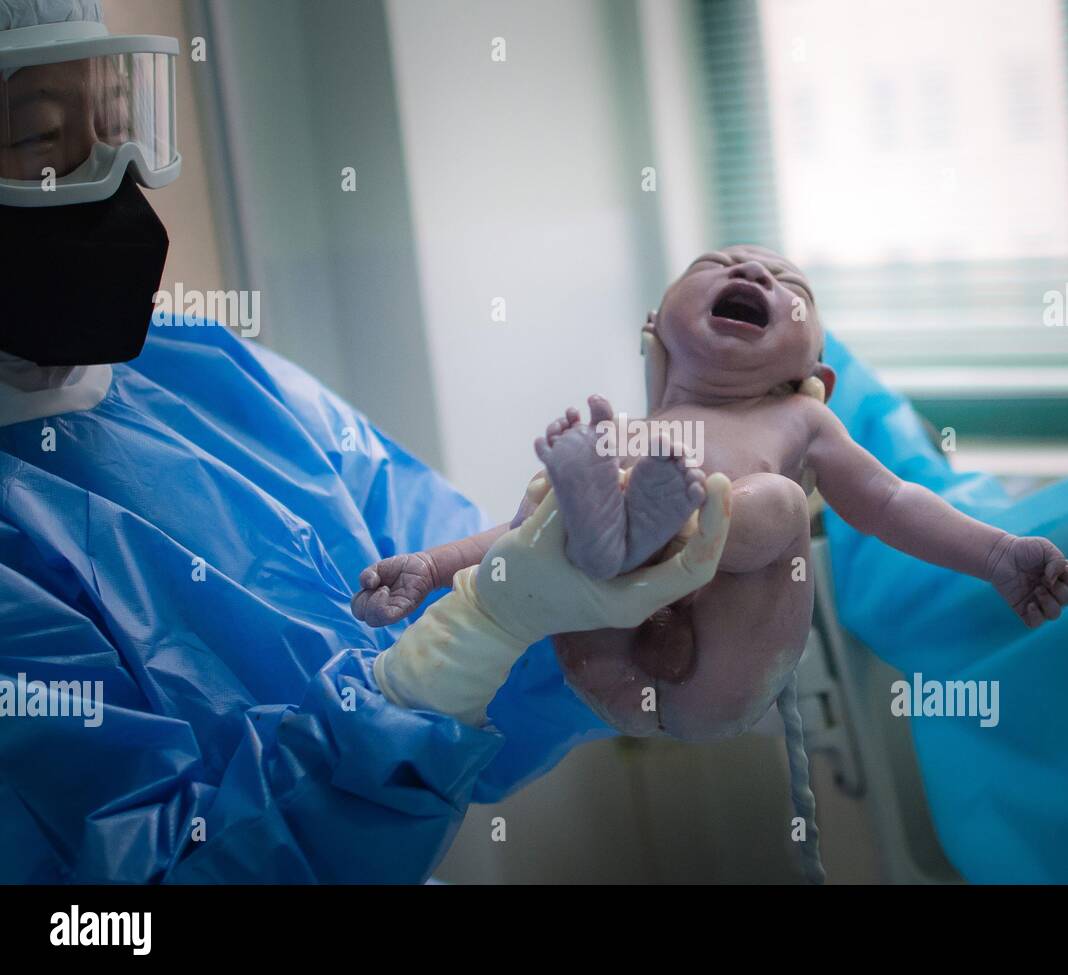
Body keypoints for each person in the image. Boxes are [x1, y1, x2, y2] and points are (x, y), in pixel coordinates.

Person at [0, 0, 732, 883]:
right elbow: (135, 895)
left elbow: (453, 615)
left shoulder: (214, 374)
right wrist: (446, 660)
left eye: (119, 123)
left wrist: (585, 588)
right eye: (44, 138)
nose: (116, 177)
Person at [361, 245, 1068, 741]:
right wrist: (431, 566)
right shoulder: (631, 437)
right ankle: (625, 535)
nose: (748, 270)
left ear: (818, 378)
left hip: (723, 665)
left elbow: (891, 500)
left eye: (788, 286)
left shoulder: (799, 418)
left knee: (773, 497)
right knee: (556, 498)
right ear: (657, 330)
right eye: (717, 265)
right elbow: (515, 539)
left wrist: (997, 555)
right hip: (606, 662)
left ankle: (658, 533)